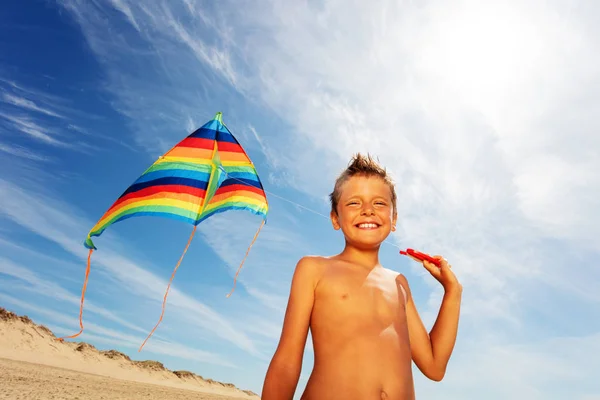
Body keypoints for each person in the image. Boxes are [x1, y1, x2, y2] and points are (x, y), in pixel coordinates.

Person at [261, 153, 462, 400]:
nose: (368, 210)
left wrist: (452, 292)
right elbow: (287, 360)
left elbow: (434, 367)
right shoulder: (313, 270)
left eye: (379, 203)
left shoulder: (400, 283)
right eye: (354, 203)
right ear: (335, 218)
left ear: (393, 219)